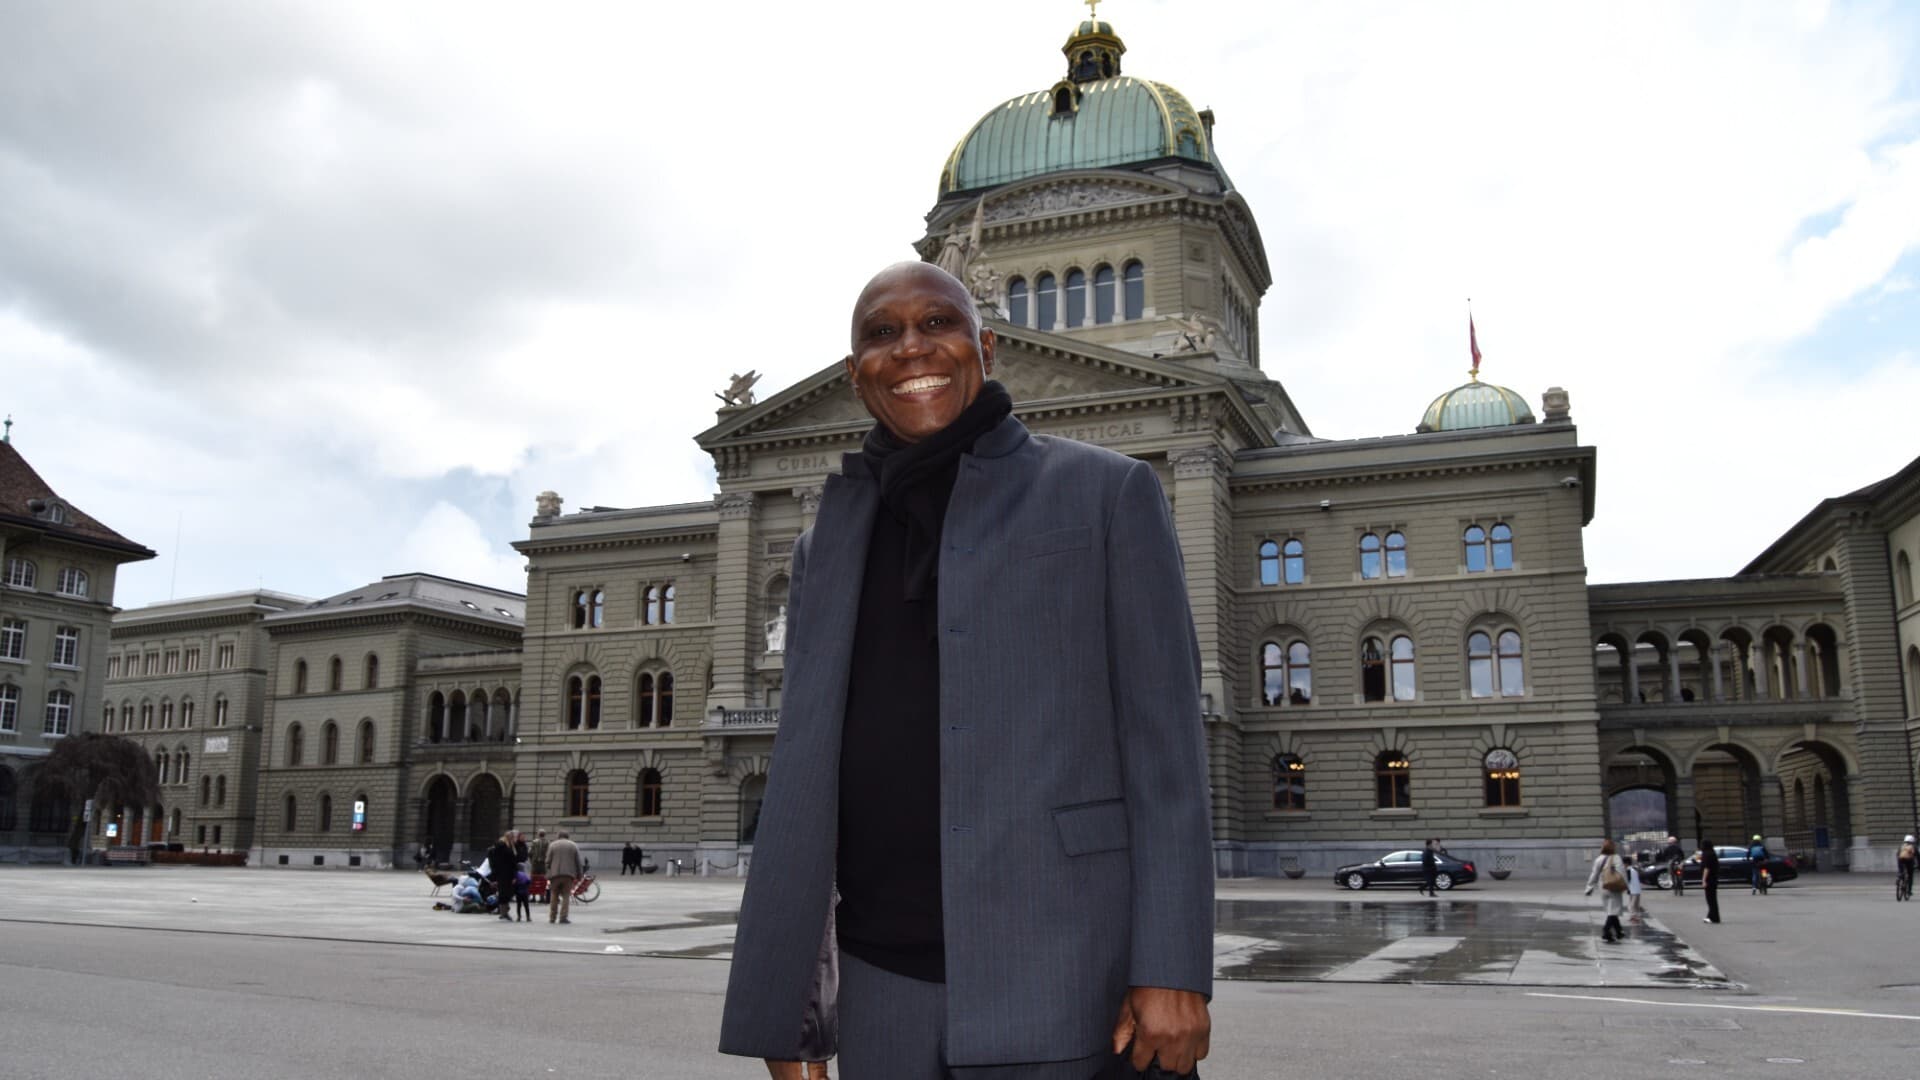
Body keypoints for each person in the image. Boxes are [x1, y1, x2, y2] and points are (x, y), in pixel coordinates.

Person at [718, 262, 1213, 1080]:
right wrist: (791, 1012)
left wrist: (1173, 966)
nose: (911, 348)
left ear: (985, 345)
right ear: (855, 373)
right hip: (883, 994)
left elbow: (1167, 751)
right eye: (882, 334)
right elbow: (804, 779)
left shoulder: (1107, 491)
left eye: (937, 324)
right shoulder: (828, 542)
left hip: (1065, 972)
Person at [1583, 839, 1629, 943]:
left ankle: (1619, 931)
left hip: (1603, 886)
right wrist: (1626, 886)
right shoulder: (1616, 858)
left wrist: (1589, 887)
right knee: (1613, 910)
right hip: (1614, 886)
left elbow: (1594, 874)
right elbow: (1622, 873)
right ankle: (1606, 931)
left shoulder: (1599, 859)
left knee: (1611, 909)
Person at [547, 829, 583, 925]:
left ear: (558, 836)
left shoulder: (553, 845)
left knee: (554, 895)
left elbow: (548, 861)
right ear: (568, 836)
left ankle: (552, 917)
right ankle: (563, 917)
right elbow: (578, 862)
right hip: (568, 875)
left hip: (555, 874)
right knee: (566, 896)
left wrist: (548, 872)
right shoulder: (573, 845)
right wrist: (580, 874)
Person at [487, 833, 518, 923]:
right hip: (506, 874)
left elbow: (493, 864)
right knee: (506, 893)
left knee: (503, 892)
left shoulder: (496, 848)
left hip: (500, 874)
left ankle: (503, 912)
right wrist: (514, 875)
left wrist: (494, 876)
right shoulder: (506, 848)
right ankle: (504, 912)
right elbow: (512, 863)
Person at [1699, 842, 1721, 924]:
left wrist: (1704, 880)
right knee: (1713, 899)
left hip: (1709, 879)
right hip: (1714, 878)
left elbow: (1706, 868)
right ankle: (1712, 916)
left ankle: (1713, 917)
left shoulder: (1706, 855)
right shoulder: (1712, 853)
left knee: (1710, 899)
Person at [1625, 856, 1644, 924]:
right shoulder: (1634, 869)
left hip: (1633, 890)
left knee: (1631, 904)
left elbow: (1628, 881)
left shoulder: (1628, 870)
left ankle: (1633, 916)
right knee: (1636, 904)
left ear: (1626, 863)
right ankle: (1637, 916)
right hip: (1637, 890)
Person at [1899, 835, 1917, 900]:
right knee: (1910, 875)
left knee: (1901, 872)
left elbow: (1898, 854)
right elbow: (1917, 856)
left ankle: (1900, 877)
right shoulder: (1913, 847)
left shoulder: (1901, 846)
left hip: (1901, 860)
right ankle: (1909, 891)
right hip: (1909, 861)